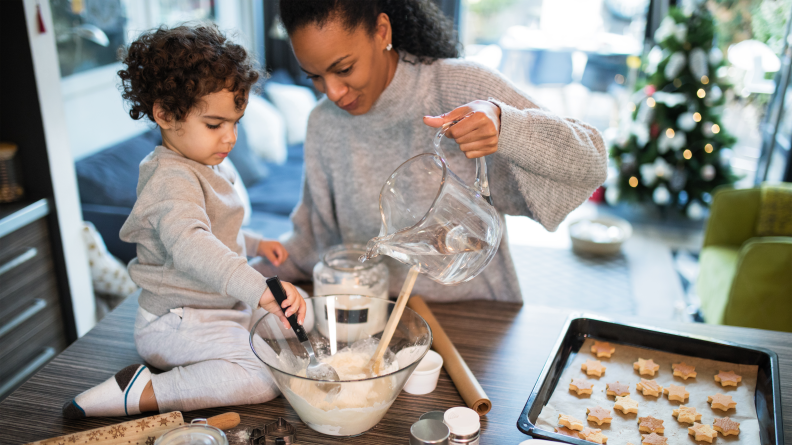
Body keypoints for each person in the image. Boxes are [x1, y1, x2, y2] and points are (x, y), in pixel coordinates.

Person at [252, 0, 608, 302]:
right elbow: (314, 241)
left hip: (476, 314)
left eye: (344, 69)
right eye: (314, 76)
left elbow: (591, 162)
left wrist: (506, 125)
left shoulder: (459, 87)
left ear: (382, 32)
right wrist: (245, 278)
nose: (332, 92)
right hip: (378, 314)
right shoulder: (323, 123)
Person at [62, 24, 307, 418]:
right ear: (165, 113)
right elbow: (192, 243)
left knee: (296, 319)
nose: (230, 138)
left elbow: (214, 229)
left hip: (218, 307)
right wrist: (259, 288)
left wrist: (256, 243)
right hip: (175, 322)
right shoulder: (170, 178)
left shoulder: (203, 163)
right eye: (215, 125)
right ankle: (144, 390)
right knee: (264, 377)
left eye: (235, 123)